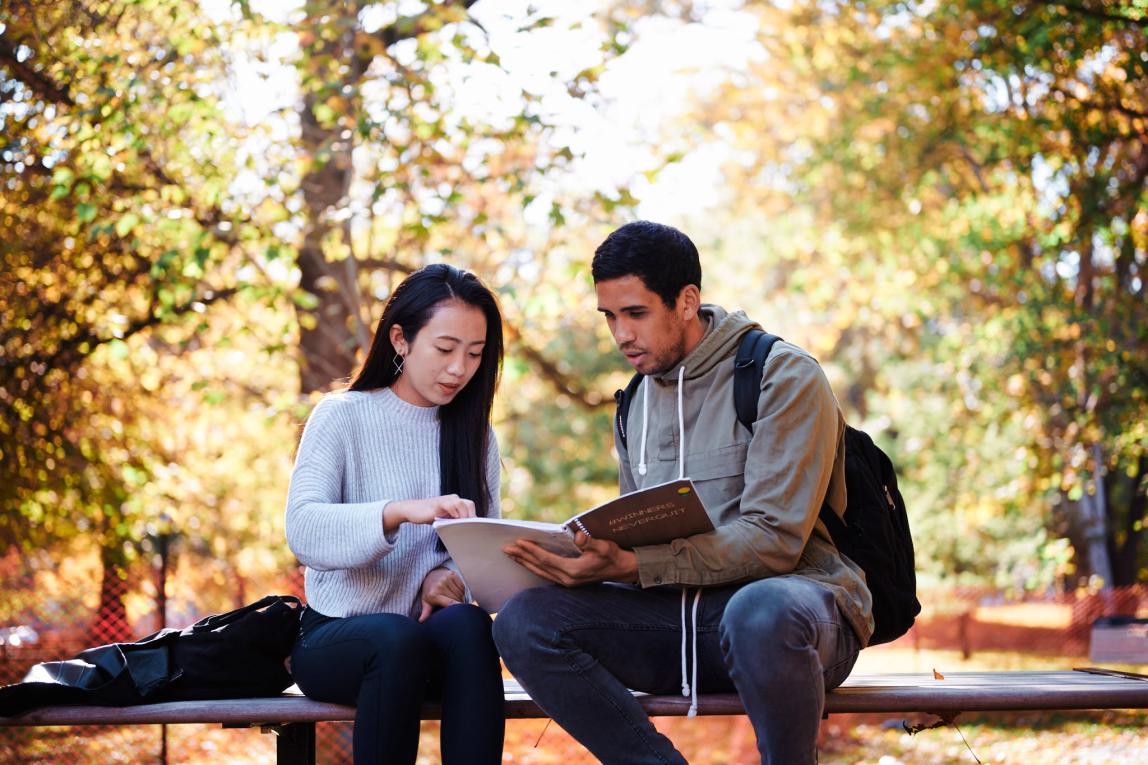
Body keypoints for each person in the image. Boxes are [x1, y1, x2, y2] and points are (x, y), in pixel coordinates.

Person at [493, 221, 874, 765]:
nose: (621, 334)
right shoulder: (634, 403)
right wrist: (592, 559)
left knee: (759, 611)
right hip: (680, 624)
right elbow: (637, 527)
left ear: (687, 300)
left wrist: (630, 564)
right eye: (609, 317)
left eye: (636, 313)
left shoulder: (782, 375)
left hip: (798, 619)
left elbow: (774, 542)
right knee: (524, 621)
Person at [285, 263, 505, 765]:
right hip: (336, 638)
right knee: (394, 637)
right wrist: (399, 512)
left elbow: (478, 554)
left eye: (475, 354)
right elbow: (304, 531)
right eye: (445, 349)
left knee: (470, 627)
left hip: (427, 640)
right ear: (401, 340)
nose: (459, 369)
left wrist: (445, 579)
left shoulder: (475, 435)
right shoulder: (342, 416)